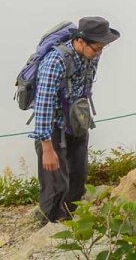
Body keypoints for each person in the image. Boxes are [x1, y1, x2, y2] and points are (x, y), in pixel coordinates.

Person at [29, 17, 120, 222]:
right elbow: (43, 106)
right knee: (55, 185)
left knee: (78, 178)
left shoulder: (91, 56)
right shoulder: (55, 62)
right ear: (80, 41)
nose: (99, 53)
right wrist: (47, 148)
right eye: (96, 48)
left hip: (76, 122)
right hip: (51, 127)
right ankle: (48, 227)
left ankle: (68, 219)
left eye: (102, 48)